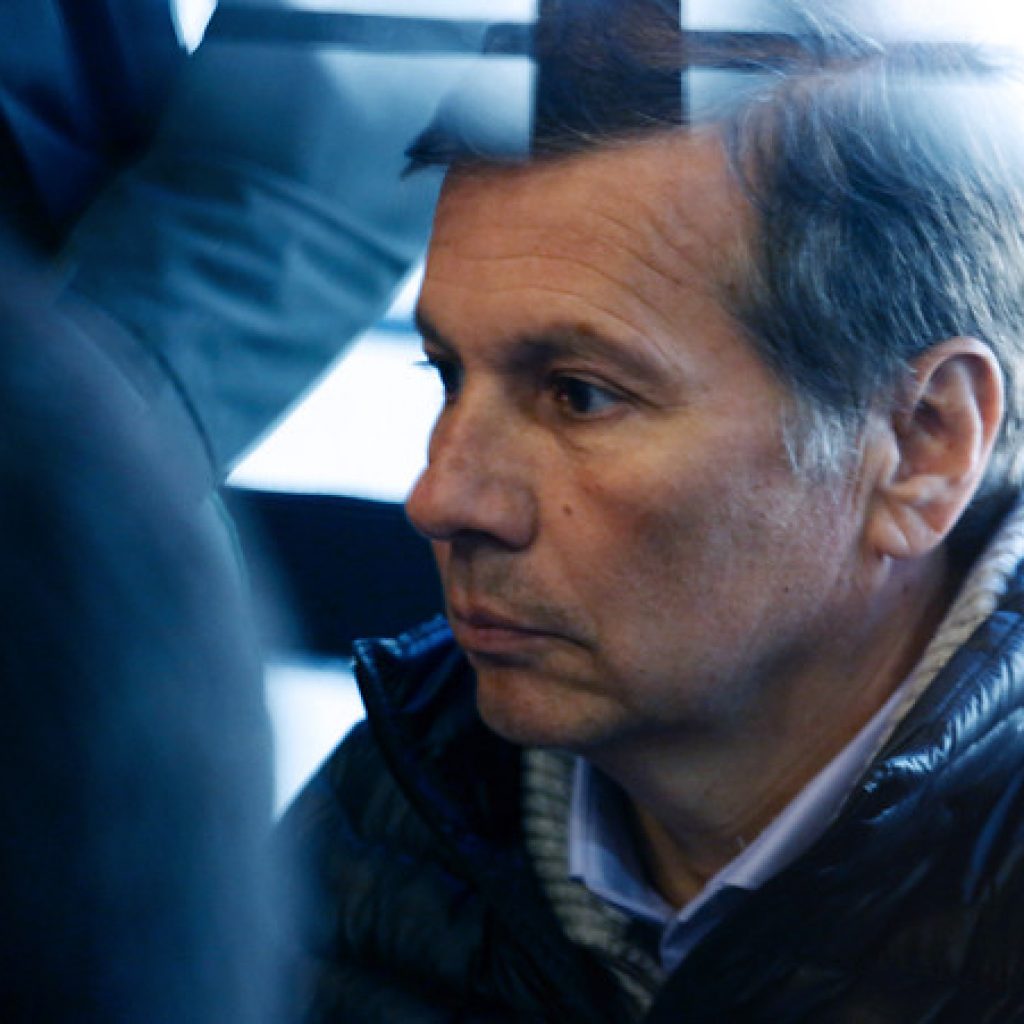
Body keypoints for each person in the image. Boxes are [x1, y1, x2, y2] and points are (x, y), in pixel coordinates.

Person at [274, 2, 1024, 1021]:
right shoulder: (393, 800)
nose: (441, 497)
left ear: (922, 447)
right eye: (446, 374)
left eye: (580, 395)